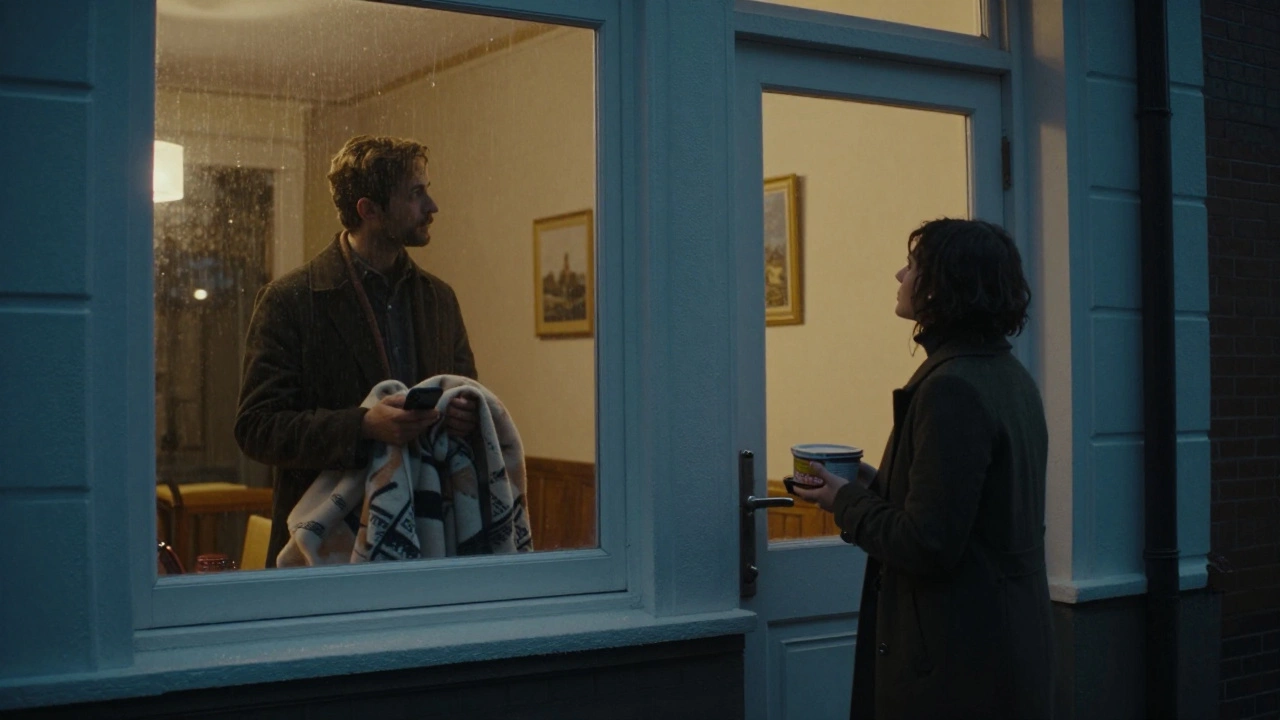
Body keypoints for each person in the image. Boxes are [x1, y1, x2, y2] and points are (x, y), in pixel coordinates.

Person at [793, 218, 1052, 719]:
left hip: (954, 665)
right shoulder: (1009, 375)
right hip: (1000, 649)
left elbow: (928, 543)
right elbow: (974, 510)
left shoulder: (952, 388)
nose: (899, 275)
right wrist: (875, 483)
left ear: (941, 285)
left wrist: (842, 500)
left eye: (912, 266)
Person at [235, 135, 480, 568]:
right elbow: (256, 427)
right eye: (416, 193)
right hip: (325, 552)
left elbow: (467, 395)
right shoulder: (289, 300)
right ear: (369, 210)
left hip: (428, 541)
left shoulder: (440, 299)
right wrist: (363, 426)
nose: (432, 206)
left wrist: (466, 415)